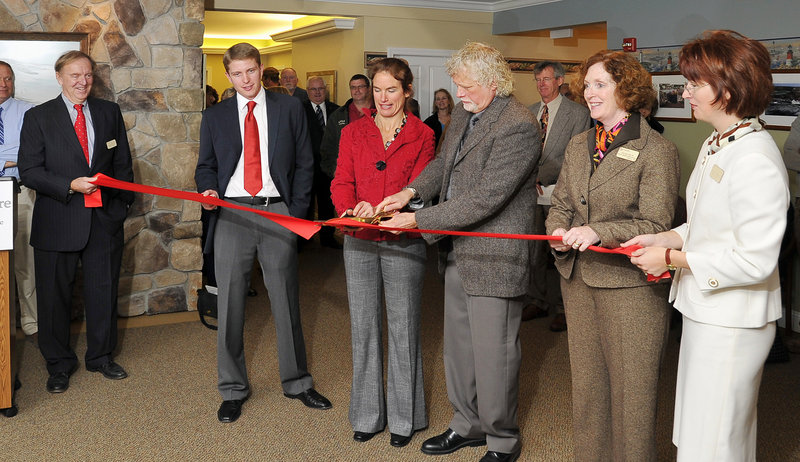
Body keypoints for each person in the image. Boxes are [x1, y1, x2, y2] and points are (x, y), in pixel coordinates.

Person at [626, 30, 790, 461]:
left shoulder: (754, 157)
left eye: (695, 83)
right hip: (707, 309)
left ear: (729, 87)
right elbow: (707, 223)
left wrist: (671, 258)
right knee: (704, 431)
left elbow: (754, 260)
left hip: (733, 320)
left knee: (716, 441)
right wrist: (667, 237)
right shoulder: (718, 142)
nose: (685, 92)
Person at [378, 41, 540, 462]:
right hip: (458, 250)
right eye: (458, 86)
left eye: (466, 87)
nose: (459, 95)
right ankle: (467, 424)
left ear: (492, 82)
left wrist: (417, 220)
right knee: (459, 349)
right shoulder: (468, 113)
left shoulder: (518, 125)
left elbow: (485, 199)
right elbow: (441, 166)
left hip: (495, 257)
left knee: (495, 355)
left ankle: (502, 439)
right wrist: (409, 192)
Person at [545, 50, 679, 461]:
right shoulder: (578, 143)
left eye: (599, 84)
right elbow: (563, 204)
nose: (589, 92)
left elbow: (656, 225)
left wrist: (596, 231)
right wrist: (557, 230)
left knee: (631, 399)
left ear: (627, 89)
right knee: (587, 391)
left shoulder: (656, 149)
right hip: (579, 283)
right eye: (586, 84)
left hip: (631, 289)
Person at [194, 42, 331, 424]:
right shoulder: (215, 116)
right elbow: (205, 166)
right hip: (233, 213)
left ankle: (298, 382)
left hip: (278, 212)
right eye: (237, 74)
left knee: (286, 300)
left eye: (251, 71)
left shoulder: (289, 108)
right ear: (228, 75)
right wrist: (207, 191)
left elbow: (306, 162)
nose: (246, 80)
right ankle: (233, 389)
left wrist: (297, 213)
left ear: (260, 67)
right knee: (231, 303)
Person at [330, 57, 435, 449]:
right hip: (359, 239)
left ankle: (406, 419)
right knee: (364, 327)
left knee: (404, 329)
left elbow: (422, 188)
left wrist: (394, 211)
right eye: (377, 89)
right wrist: (348, 207)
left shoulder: (424, 135)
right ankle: (367, 414)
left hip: (402, 242)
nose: (383, 97)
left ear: (407, 92)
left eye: (392, 89)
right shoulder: (354, 131)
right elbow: (341, 180)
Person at [18, 50, 134, 393]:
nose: (82, 82)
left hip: (103, 221)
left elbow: (122, 164)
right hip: (57, 219)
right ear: (59, 77)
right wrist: (69, 185)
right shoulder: (38, 117)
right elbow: (30, 171)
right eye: (74, 76)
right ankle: (58, 364)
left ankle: (101, 357)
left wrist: (120, 208)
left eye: (87, 75)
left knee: (104, 291)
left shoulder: (109, 112)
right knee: (53, 299)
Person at [523, 61, 591, 332]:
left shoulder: (578, 114)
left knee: (561, 254)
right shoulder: (529, 112)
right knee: (533, 254)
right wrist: (530, 177)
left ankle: (565, 309)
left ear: (560, 81)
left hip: (560, 195)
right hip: (530, 194)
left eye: (547, 79)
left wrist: (544, 176)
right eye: (538, 79)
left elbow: (576, 157)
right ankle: (537, 300)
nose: (542, 84)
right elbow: (523, 153)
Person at [0, 61, 37, 343]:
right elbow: (16, 155)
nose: (4, 84)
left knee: (26, 264)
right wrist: (11, 157)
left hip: (20, 193)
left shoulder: (29, 112)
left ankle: (32, 324)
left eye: (8, 78)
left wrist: (14, 159)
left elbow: (33, 156)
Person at [303, 76, 340, 248]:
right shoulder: (299, 109)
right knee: (307, 205)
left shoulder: (337, 110)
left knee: (327, 203)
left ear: (326, 90)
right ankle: (305, 239)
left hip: (329, 167)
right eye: (313, 89)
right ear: (307, 91)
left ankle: (328, 237)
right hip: (306, 167)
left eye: (321, 89)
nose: (317, 93)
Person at [319, 74, 372, 178]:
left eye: (361, 86)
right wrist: (335, 171)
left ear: (369, 89)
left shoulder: (381, 112)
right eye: (353, 87)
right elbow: (327, 149)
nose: (357, 90)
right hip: (347, 175)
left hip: (374, 173)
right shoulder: (338, 116)